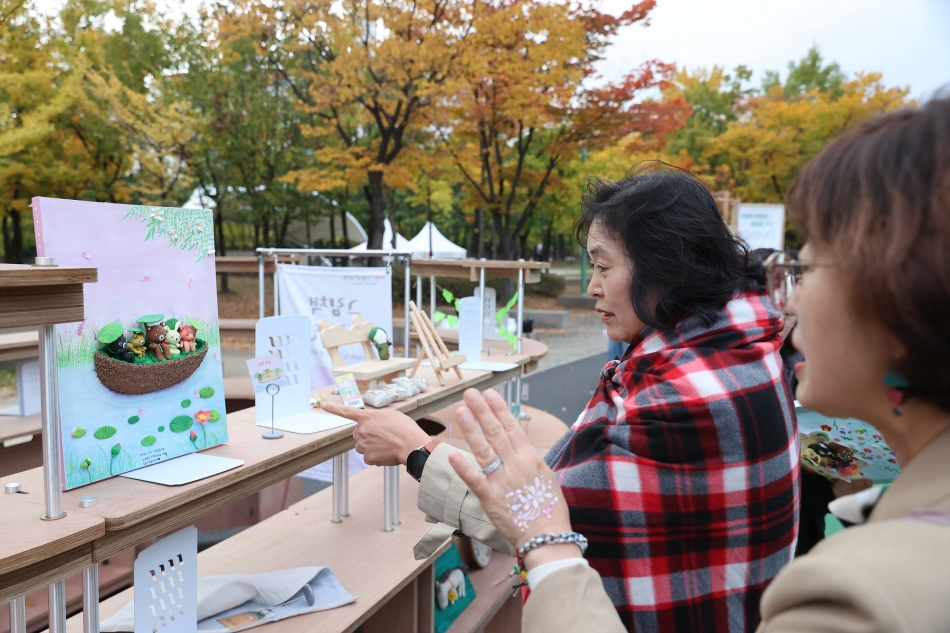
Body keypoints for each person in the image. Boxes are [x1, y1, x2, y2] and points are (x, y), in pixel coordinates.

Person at [421, 96, 950, 633]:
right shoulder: (736, 347)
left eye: (806, 270)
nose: (786, 300)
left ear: (901, 302)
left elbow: (545, 505)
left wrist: (545, 547)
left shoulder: (858, 601)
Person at [321, 164, 800, 632]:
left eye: (602, 266)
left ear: (666, 266)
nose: (591, 286)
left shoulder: (689, 398)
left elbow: (540, 519)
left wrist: (413, 448)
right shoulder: (735, 347)